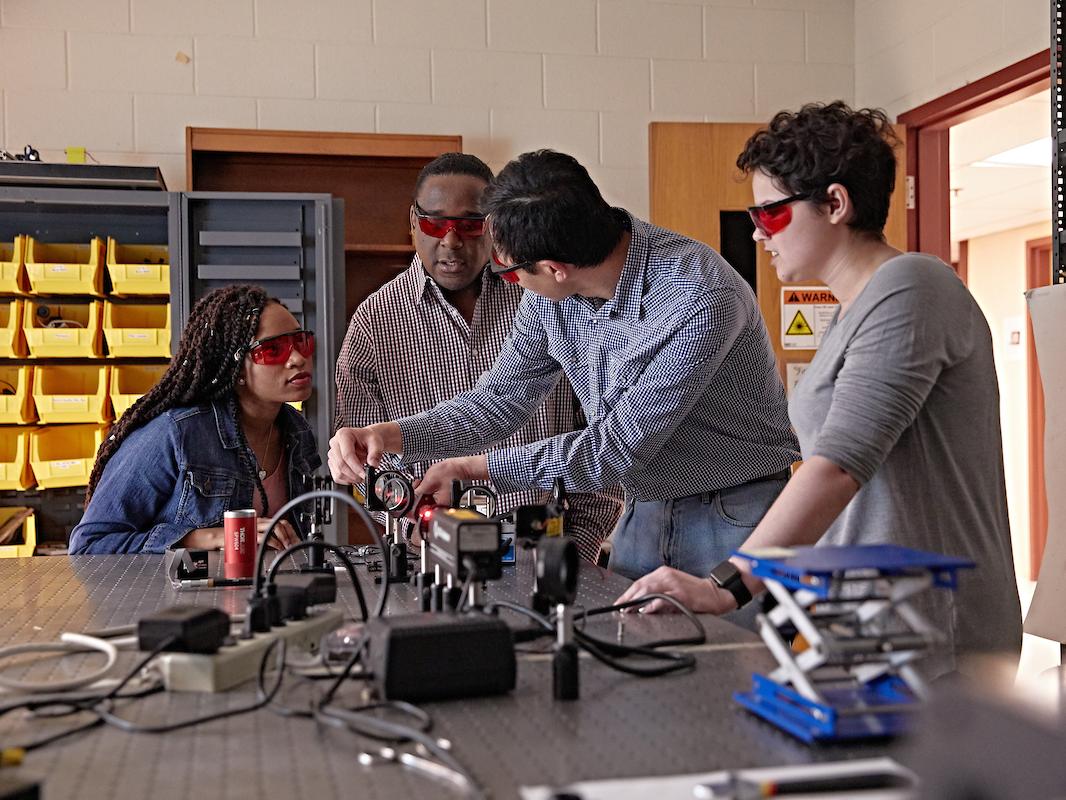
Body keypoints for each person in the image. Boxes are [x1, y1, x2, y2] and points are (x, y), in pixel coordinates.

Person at [617, 102, 1023, 676]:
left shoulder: (913, 286)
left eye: (772, 215)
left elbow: (835, 467)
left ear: (835, 203)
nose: (758, 233)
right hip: (864, 623)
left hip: (933, 633)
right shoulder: (850, 313)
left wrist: (725, 586)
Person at [329, 149, 800, 592]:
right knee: (634, 655)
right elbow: (496, 403)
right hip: (647, 506)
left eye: (512, 274)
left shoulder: (697, 296)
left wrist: (473, 468)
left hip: (735, 511)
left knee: (732, 667)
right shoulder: (550, 292)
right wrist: (390, 436)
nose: (509, 283)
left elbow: (614, 449)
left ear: (555, 268)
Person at [334, 153, 622, 562]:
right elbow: (365, 473)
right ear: (413, 222)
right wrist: (406, 524)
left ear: (495, 226)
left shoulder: (545, 296)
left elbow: (602, 432)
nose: (451, 241)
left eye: (470, 226)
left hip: (548, 545)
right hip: (435, 554)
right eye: (435, 224)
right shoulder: (374, 322)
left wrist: (578, 545)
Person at [69, 284, 319, 554]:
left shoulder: (297, 431)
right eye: (273, 350)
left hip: (264, 592)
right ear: (236, 368)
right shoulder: (176, 433)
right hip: (178, 596)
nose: (297, 359)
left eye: (301, 342)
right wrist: (205, 539)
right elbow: (89, 544)